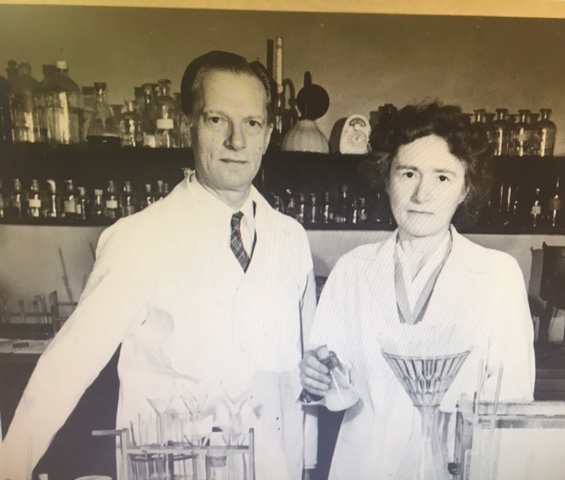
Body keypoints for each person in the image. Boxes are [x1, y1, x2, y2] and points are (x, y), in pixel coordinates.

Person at [1, 51, 317, 480]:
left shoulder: (291, 239)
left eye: (252, 123)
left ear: (267, 135)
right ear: (189, 124)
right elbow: (64, 370)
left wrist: (307, 465)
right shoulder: (138, 239)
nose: (236, 142)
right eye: (216, 120)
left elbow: (306, 373)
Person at [300, 102, 535, 479]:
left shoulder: (496, 275)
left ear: (466, 188)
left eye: (443, 177)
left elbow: (513, 410)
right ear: (386, 177)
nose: (422, 195)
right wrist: (318, 377)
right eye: (408, 173)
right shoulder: (352, 271)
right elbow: (331, 392)